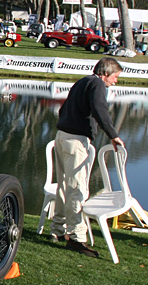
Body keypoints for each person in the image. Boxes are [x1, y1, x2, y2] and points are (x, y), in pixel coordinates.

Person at [50, 57, 125, 257]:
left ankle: (57, 230)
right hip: (75, 141)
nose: (115, 81)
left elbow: (63, 109)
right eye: (115, 77)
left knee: (64, 185)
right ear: (105, 73)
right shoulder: (98, 84)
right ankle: (76, 237)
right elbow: (100, 110)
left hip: (62, 136)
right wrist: (113, 135)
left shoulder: (82, 82)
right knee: (78, 188)